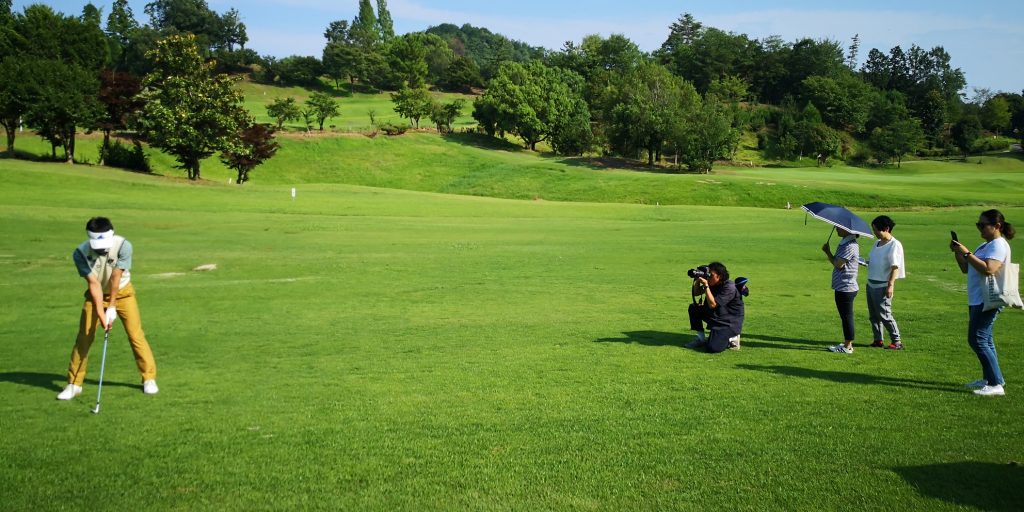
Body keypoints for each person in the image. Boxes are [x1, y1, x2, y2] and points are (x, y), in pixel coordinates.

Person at [57, 217, 158, 400]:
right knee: (84, 337)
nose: (101, 249)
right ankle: (74, 384)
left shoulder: (124, 246)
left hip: (123, 293)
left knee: (135, 335)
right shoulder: (80, 253)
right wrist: (102, 315)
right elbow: (94, 284)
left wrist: (111, 306)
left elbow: (115, 278)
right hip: (96, 295)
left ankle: (148, 378)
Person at [950, 209, 1015, 397]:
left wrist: (967, 252)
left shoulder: (998, 245)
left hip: (988, 299)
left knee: (977, 339)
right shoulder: (985, 245)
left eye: (983, 225)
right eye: (978, 224)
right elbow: (965, 268)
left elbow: (989, 269)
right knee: (985, 339)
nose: (980, 228)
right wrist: (958, 253)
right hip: (978, 298)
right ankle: (991, 379)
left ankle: (995, 384)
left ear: (997, 226)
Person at [685, 262, 745, 353]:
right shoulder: (712, 283)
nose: (708, 277)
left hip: (728, 322)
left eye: (711, 275)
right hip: (717, 316)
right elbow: (696, 293)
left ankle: (733, 337)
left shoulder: (729, 287)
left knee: (712, 348)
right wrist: (698, 279)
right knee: (694, 308)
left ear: (720, 276)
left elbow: (713, 304)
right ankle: (701, 339)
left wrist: (706, 285)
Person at [866, 216, 906, 350]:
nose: (875, 233)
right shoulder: (876, 243)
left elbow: (895, 267)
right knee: (873, 316)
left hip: (882, 285)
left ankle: (897, 341)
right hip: (871, 283)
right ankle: (878, 340)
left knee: (885, 315)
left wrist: (890, 285)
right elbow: (873, 260)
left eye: (877, 230)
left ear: (886, 229)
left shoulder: (894, 244)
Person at [823, 227, 860, 354]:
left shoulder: (849, 245)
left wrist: (828, 252)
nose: (837, 229)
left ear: (848, 230)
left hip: (846, 287)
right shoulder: (846, 242)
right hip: (842, 286)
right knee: (845, 316)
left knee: (846, 317)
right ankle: (846, 343)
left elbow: (839, 264)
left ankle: (848, 346)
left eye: (839, 227)